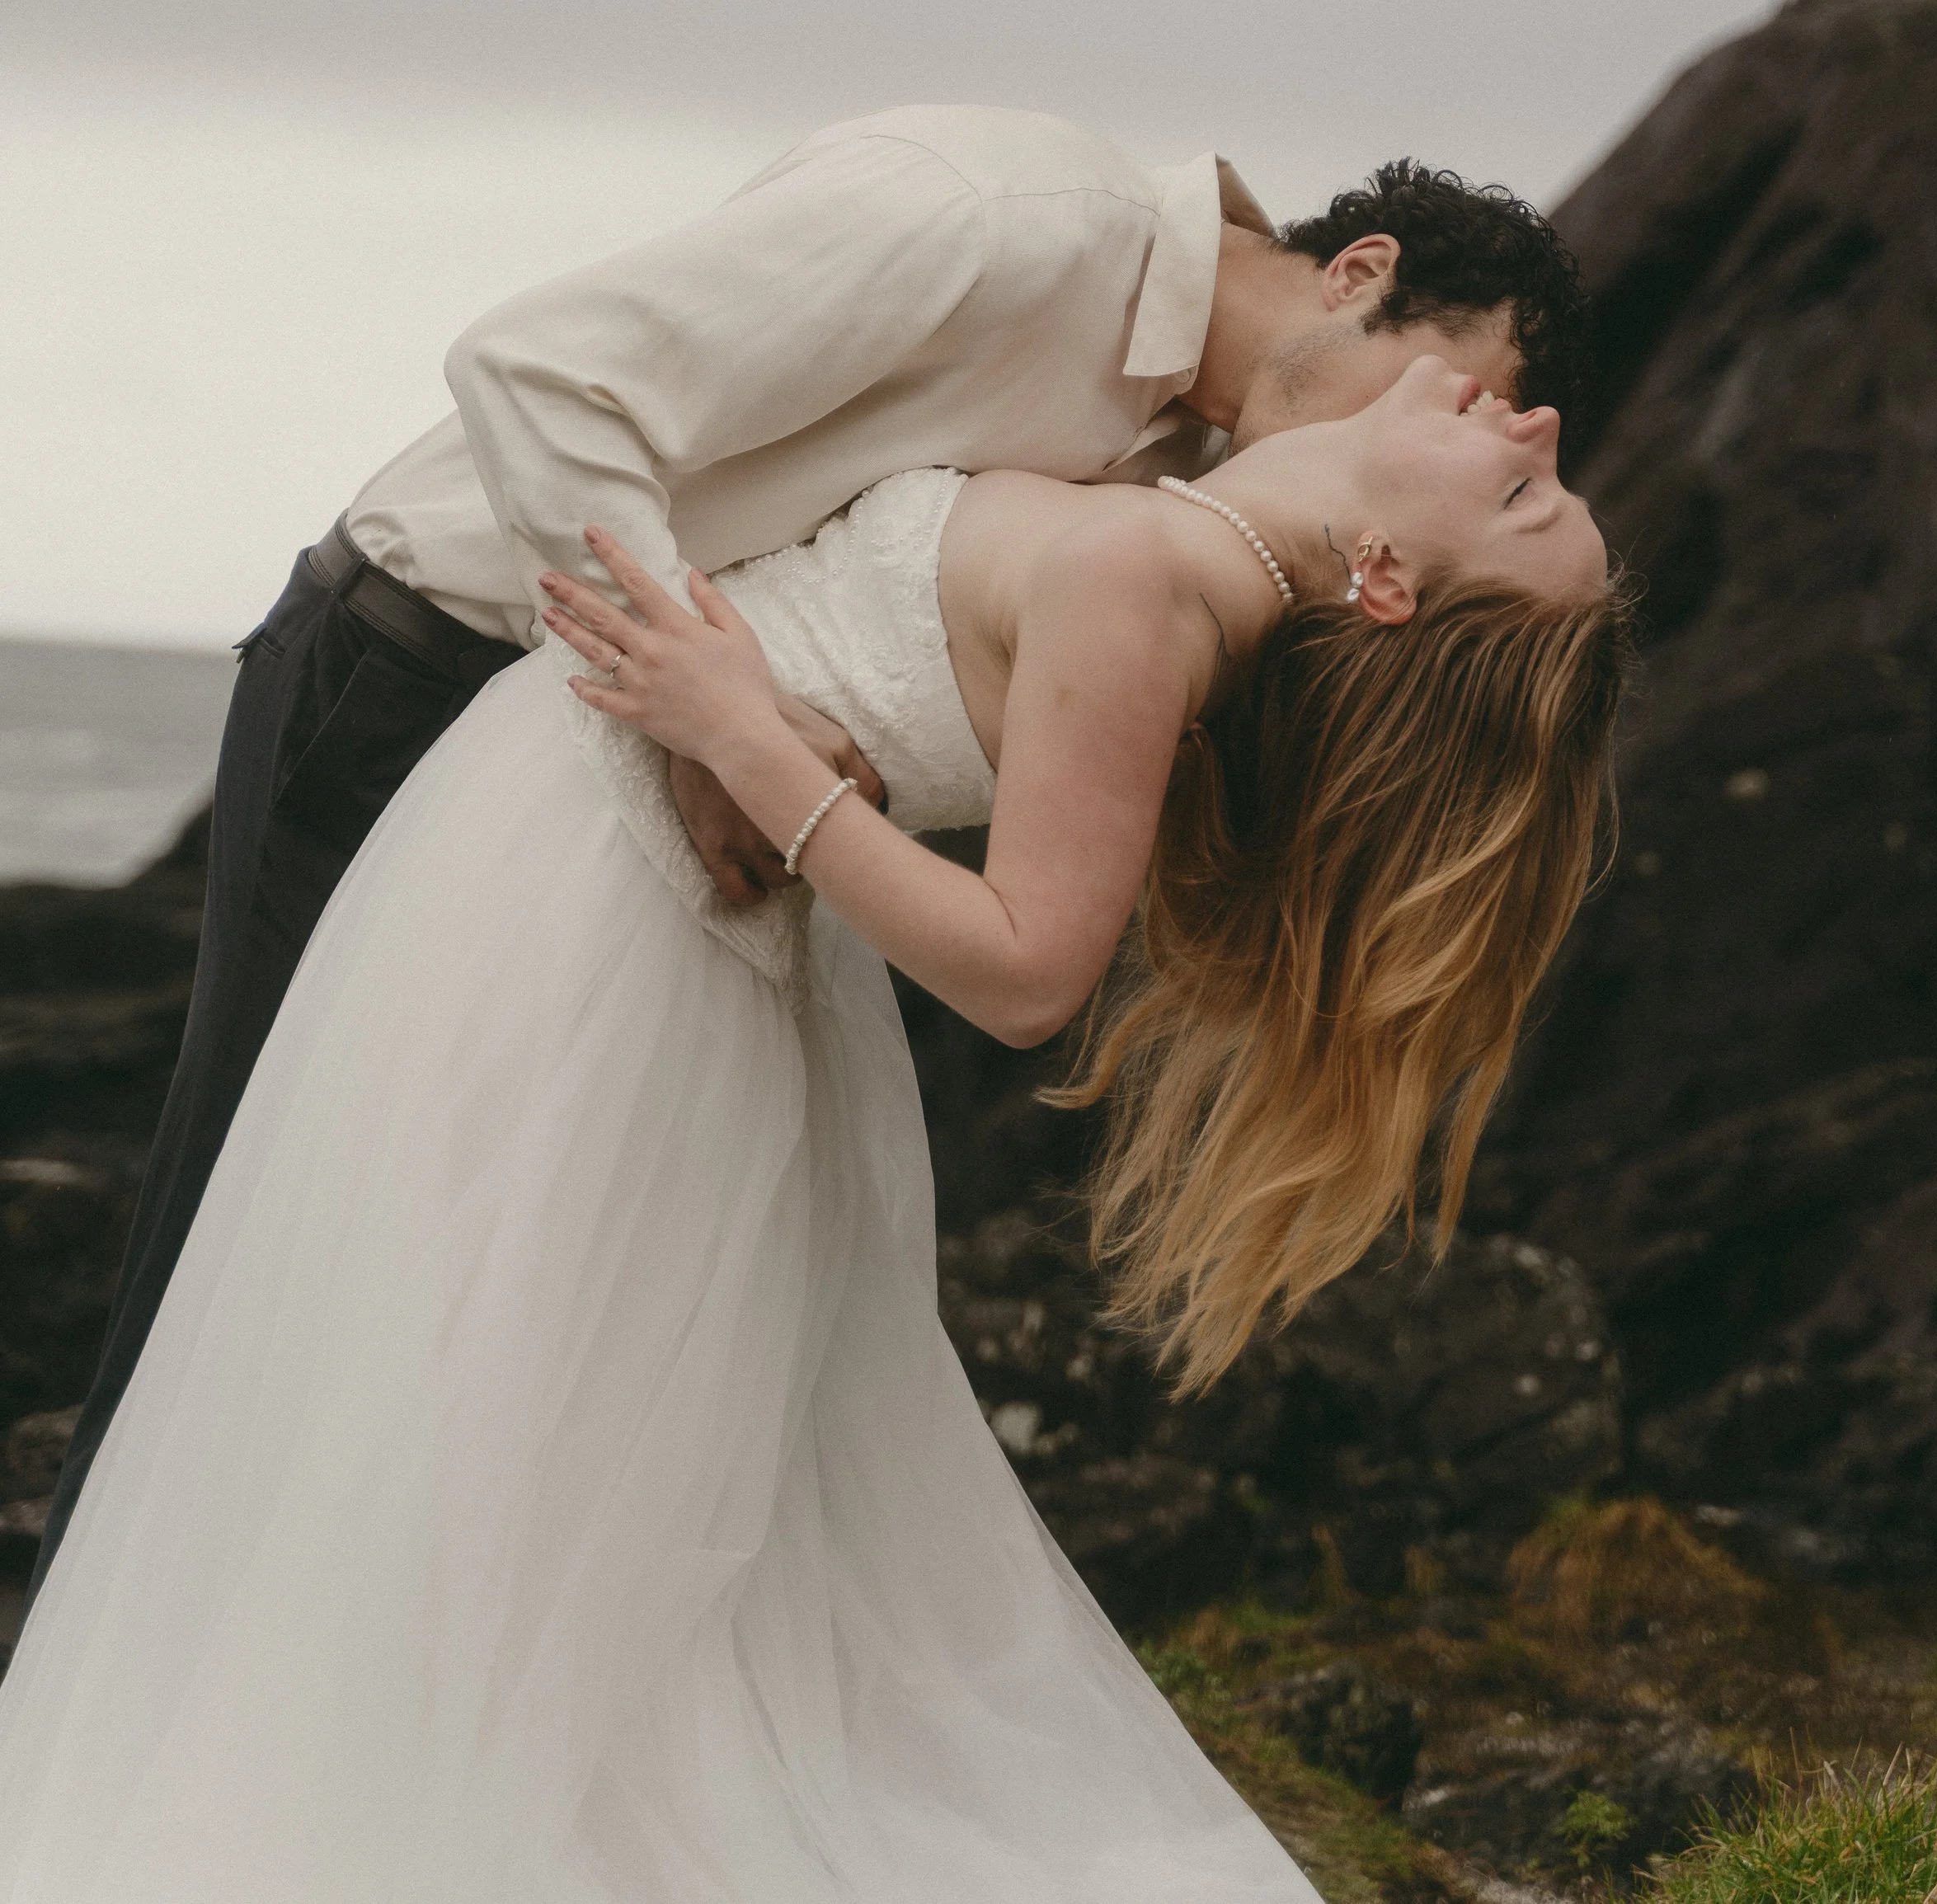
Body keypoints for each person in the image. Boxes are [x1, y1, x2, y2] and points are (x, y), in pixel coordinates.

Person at [0, 353, 1624, 1901]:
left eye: (1526, 505)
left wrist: (744, 735)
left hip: (613, 921)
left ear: (1394, 583)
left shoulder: (1150, 576)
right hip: (575, 867)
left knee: (487, 1432)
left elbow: (1026, 972)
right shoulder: (1178, 521)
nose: (1540, 428)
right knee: (480, 1436)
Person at [32, 105, 1590, 1589]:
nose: (1471, 416)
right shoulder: (1001, 221)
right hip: (418, 666)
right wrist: (723, 717)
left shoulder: (1203, 518)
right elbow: (541, 370)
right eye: (1457, 382)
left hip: (608, 835)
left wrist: (736, 740)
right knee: (228, 1261)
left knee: (434, 1328)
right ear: (1360, 274)